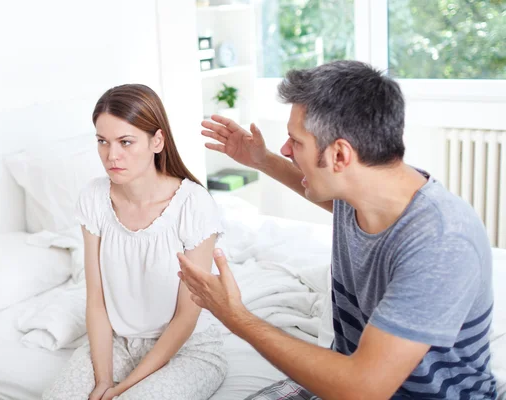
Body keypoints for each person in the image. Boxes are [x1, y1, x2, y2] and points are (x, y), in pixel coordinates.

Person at [178, 60, 496, 399]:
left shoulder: (442, 242)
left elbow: (363, 388)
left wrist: (235, 315)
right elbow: (317, 190)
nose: (286, 149)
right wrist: (261, 159)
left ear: (340, 155)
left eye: (295, 142)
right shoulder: (367, 185)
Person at [43, 84, 227, 400]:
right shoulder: (94, 198)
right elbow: (96, 300)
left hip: (188, 348)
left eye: (126, 142)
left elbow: (186, 317)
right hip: (117, 342)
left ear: (157, 141)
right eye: (103, 142)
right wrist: (103, 381)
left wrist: (123, 388)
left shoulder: (193, 204)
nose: (112, 155)